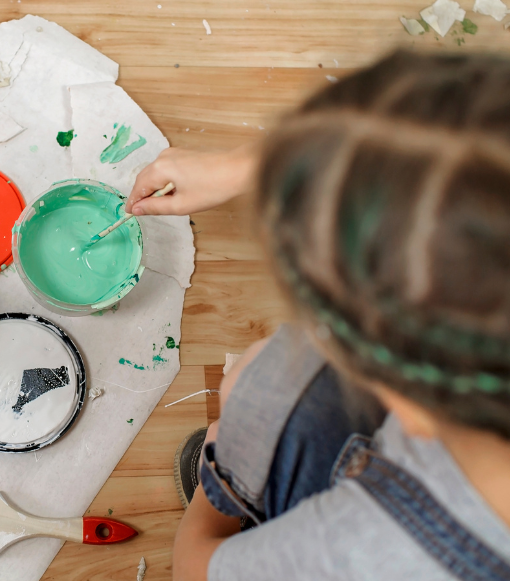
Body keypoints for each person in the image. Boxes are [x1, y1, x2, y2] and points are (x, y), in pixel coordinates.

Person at [125, 50, 510, 580]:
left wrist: (222, 478)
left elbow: (194, 570)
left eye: (327, 325)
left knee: (259, 394)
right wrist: (247, 166)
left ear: (406, 403)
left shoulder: (360, 553)